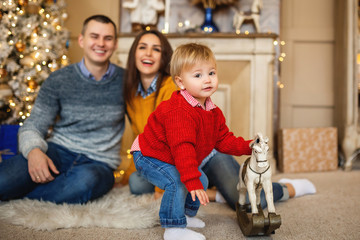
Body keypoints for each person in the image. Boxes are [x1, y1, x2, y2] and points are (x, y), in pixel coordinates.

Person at [122, 30, 316, 211]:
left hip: (203, 155)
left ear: (165, 57)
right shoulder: (132, 91)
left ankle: (287, 187)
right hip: (178, 159)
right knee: (136, 183)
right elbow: (150, 140)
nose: (148, 53)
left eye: (156, 49)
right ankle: (216, 192)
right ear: (134, 53)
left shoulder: (179, 93)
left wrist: (249, 145)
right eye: (142, 47)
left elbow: (191, 144)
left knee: (246, 200)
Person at [0, 15, 125, 204]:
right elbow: (34, 124)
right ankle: (47, 190)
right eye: (94, 36)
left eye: (108, 38)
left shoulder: (127, 80)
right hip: (58, 151)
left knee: (85, 182)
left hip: (99, 163)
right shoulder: (59, 79)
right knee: (5, 179)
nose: (101, 43)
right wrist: (34, 151)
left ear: (115, 44)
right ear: (81, 40)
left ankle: (23, 199)